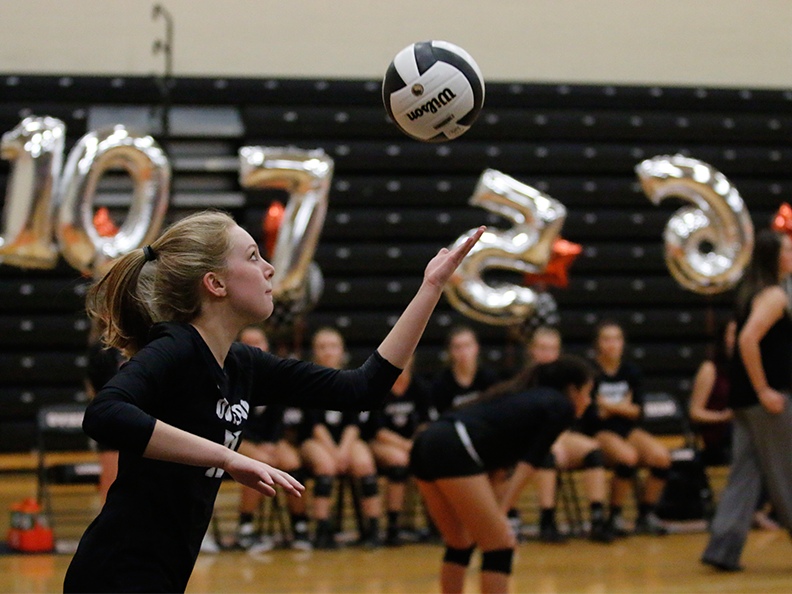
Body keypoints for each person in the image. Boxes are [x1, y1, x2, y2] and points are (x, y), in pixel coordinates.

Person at [63, 210, 484, 593]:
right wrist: (228, 459)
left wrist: (431, 287)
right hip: (116, 573)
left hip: (166, 569)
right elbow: (105, 415)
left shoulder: (242, 363)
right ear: (215, 283)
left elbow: (363, 389)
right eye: (252, 257)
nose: (269, 268)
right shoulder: (175, 347)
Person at [410, 355, 595, 594]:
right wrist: (502, 512)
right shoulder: (561, 405)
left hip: (425, 443)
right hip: (452, 445)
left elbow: (496, 471)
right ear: (572, 390)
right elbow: (530, 464)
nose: (589, 401)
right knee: (499, 547)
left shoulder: (523, 403)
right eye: (588, 392)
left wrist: (498, 512)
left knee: (460, 542)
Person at [702, 229, 792, 572]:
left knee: (745, 475)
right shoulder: (773, 295)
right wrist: (764, 390)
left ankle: (722, 548)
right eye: (787, 250)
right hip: (765, 400)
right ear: (773, 257)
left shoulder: (751, 291)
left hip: (743, 400)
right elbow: (747, 341)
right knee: (787, 473)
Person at [523, 327, 613, 544]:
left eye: (552, 349)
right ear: (532, 351)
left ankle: (597, 519)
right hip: (528, 439)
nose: (547, 354)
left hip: (563, 436)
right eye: (542, 349)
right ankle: (547, 520)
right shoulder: (524, 380)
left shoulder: (568, 380)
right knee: (546, 454)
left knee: (593, 451)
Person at [582, 321, 672, 536]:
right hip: (600, 431)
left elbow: (638, 411)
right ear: (597, 344)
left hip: (628, 429)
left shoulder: (630, 371)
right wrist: (623, 406)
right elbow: (594, 414)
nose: (612, 344)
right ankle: (614, 515)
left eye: (617, 339)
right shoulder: (590, 372)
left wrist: (610, 406)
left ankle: (646, 513)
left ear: (623, 343)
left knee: (662, 458)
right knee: (627, 457)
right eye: (606, 339)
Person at [300, 327, 385, 549]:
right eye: (322, 347)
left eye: (333, 346)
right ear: (314, 352)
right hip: (315, 438)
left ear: (342, 351)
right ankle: (321, 530)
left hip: (346, 438)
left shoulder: (352, 378)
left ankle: (373, 529)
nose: (328, 351)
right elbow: (315, 424)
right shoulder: (308, 379)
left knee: (364, 465)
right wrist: (335, 453)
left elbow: (353, 424)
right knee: (325, 467)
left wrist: (344, 450)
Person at [233, 325, 312, 552]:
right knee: (259, 464)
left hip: (268, 439)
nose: (253, 348)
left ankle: (300, 526)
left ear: (266, 347)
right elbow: (232, 418)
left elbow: (279, 416)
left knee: (292, 464)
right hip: (240, 438)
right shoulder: (231, 375)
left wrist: (273, 442)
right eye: (247, 343)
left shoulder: (273, 374)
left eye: (258, 342)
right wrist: (260, 446)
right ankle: (245, 528)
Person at [362, 355, 433, 545]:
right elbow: (378, 431)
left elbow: (425, 424)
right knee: (398, 461)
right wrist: (407, 446)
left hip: (411, 442)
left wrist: (415, 443)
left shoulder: (420, 387)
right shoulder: (378, 386)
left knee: (430, 457)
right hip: (381, 443)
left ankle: (433, 523)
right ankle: (393, 527)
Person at [688, 319, 736, 467]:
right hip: (718, 434)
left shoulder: (750, 369)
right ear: (724, 338)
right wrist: (723, 417)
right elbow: (695, 412)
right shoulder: (710, 369)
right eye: (734, 333)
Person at [432, 325, 500, 415]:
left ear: (476, 347)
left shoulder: (489, 377)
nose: (463, 352)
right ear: (450, 351)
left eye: (468, 345)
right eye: (457, 347)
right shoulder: (441, 382)